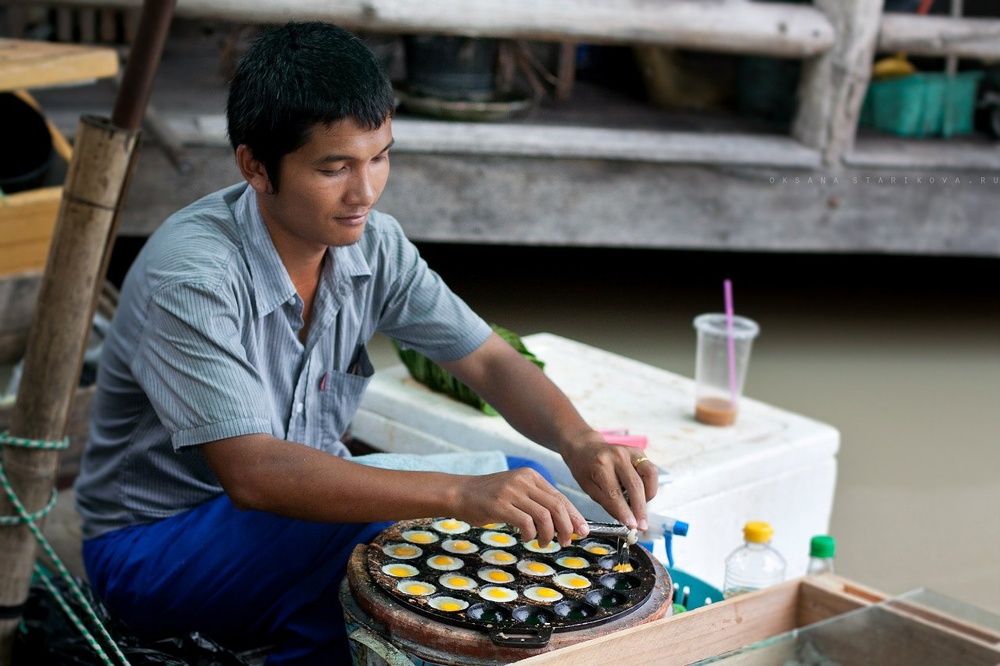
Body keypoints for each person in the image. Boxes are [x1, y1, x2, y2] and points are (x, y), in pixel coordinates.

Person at [74, 21, 659, 664]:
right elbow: (254, 474)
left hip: (286, 530)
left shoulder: (375, 246)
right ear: (256, 166)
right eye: (335, 167)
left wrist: (580, 442)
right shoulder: (191, 275)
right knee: (410, 514)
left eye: (379, 156)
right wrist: (460, 494)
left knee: (538, 486)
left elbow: (488, 360)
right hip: (151, 550)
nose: (365, 192)